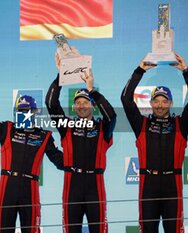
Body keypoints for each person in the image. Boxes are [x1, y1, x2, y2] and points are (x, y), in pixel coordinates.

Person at [121, 53, 188, 233]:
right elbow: (126, 100)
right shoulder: (141, 124)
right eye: (156, 101)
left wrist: (186, 72)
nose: (160, 105)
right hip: (148, 184)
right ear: (150, 103)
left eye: (164, 101)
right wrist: (139, 71)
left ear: (171, 103)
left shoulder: (181, 124)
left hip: (172, 185)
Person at [45, 54, 116, 233]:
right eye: (78, 103)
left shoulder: (103, 128)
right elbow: (51, 103)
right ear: (74, 107)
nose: (82, 105)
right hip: (72, 185)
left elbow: (111, 115)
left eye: (86, 102)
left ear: (92, 105)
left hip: (95, 184)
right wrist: (61, 75)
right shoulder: (67, 126)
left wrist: (92, 91)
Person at [0, 95, 64, 233]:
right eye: (20, 110)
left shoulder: (44, 135)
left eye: (27, 110)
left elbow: (59, 160)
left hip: (30, 188)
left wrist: (81, 162)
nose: (24, 113)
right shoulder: (7, 129)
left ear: (35, 112)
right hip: (8, 187)